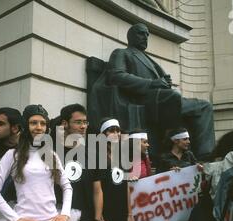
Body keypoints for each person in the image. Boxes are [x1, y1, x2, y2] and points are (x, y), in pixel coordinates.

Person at [89, 23, 215, 161]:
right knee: (173, 96)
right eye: (141, 33)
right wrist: (153, 83)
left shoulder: (148, 59)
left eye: (147, 34)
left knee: (205, 106)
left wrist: (164, 82)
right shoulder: (122, 53)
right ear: (130, 36)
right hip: (141, 99)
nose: (145, 37)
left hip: (161, 99)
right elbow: (117, 76)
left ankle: (205, 156)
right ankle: (168, 141)